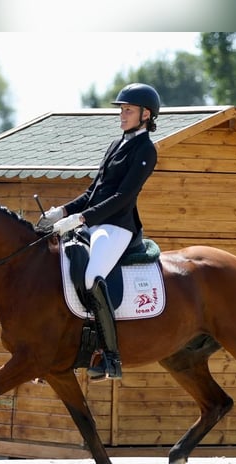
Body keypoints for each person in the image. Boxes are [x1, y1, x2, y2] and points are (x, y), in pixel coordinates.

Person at [40, 83, 160, 380]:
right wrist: (63, 211)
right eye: (121, 109)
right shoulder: (116, 143)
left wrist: (82, 218)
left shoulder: (146, 150)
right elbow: (94, 191)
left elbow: (123, 197)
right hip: (93, 222)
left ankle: (110, 356)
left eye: (128, 110)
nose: (122, 114)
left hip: (117, 227)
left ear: (146, 114)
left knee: (93, 276)